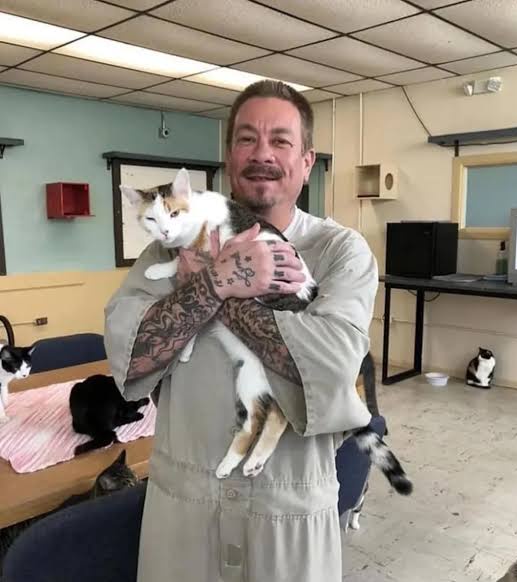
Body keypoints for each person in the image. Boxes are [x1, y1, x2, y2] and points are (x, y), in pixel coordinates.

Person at [104, 80, 378, 582]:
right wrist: (218, 281)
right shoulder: (168, 248)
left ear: (307, 162)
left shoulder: (340, 251)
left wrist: (216, 287)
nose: (262, 153)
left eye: (280, 140)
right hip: (185, 510)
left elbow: (330, 369)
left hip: (287, 513)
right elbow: (130, 356)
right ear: (229, 158)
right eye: (246, 139)